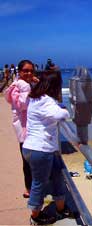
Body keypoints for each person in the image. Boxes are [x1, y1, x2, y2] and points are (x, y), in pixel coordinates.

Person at [22, 69, 72, 224]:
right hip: (41, 150)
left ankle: (60, 207)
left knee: (57, 174)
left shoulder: (36, 98)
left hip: (33, 148)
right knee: (39, 183)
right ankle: (36, 217)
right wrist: (64, 110)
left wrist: (57, 106)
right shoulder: (46, 100)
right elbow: (61, 115)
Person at [4, 60, 37, 199]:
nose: (29, 73)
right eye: (26, 71)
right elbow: (23, 105)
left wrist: (37, 83)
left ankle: (32, 186)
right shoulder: (18, 87)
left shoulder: (26, 84)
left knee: (32, 160)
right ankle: (29, 188)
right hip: (24, 128)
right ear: (19, 71)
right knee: (28, 161)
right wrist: (26, 87)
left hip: (31, 127)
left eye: (31, 71)